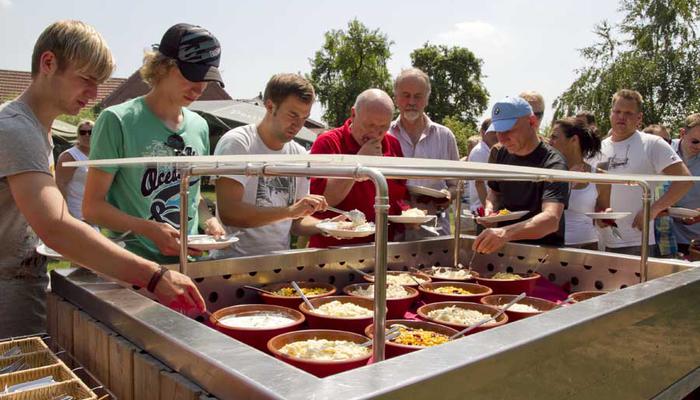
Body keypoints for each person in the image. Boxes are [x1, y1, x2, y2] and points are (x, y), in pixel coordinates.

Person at [0, 20, 204, 337]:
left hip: (21, 284)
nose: (94, 94)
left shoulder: (36, 129)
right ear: (49, 63)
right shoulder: (17, 129)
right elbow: (56, 227)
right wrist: (153, 275)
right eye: (86, 79)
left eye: (99, 83)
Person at [84, 23, 225, 264]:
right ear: (163, 67)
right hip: (135, 265)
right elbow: (92, 207)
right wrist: (148, 229)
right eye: (192, 75)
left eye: (207, 79)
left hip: (188, 266)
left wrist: (208, 220)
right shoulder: (117, 120)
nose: (200, 88)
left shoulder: (200, 126)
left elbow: (194, 193)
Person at [212, 73, 328, 257]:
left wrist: (327, 226)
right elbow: (229, 212)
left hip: (278, 263)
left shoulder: (298, 154)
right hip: (234, 262)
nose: (298, 124)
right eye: (292, 115)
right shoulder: (239, 143)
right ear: (270, 106)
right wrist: (289, 212)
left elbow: (296, 223)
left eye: (304, 118)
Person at [309, 89, 409, 248]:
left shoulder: (393, 144)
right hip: (333, 249)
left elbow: (399, 195)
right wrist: (359, 162)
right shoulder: (328, 143)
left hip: (380, 248)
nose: (375, 134)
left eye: (383, 127)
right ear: (353, 114)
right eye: (369, 125)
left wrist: (409, 215)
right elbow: (323, 200)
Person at [598, 89, 691, 256]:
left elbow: (685, 180)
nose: (621, 117)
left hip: (636, 241)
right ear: (610, 114)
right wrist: (598, 211)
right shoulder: (599, 147)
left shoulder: (652, 144)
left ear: (639, 118)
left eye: (628, 113)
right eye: (617, 111)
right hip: (601, 240)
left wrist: (653, 210)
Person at [472, 96, 570, 254]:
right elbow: (494, 193)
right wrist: (490, 211)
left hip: (543, 254)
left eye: (508, 130)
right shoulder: (502, 154)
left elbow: (551, 220)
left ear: (532, 122)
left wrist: (505, 233)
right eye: (498, 131)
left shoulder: (553, 163)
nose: (502, 139)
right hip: (506, 250)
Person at [389, 68, 460, 238]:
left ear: (427, 99)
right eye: (406, 95)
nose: (411, 101)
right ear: (396, 98)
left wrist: (447, 197)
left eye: (418, 96)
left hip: (435, 227)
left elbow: (456, 183)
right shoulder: (385, 135)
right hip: (393, 228)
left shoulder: (444, 136)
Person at [548, 117, 609, 249]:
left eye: (554, 137)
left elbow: (601, 215)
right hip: (552, 246)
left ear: (574, 140)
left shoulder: (600, 177)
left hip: (587, 246)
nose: (549, 142)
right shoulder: (545, 172)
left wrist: (606, 216)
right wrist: (568, 185)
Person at [642, 124, 678, 258]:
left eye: (668, 141)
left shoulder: (671, 174)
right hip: (642, 243)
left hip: (666, 244)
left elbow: (671, 205)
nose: (666, 146)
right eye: (661, 142)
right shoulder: (638, 173)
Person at [670, 113, 700, 255]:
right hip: (664, 236)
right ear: (682, 133)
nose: (699, 146)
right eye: (695, 141)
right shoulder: (664, 149)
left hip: (694, 240)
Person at [55, 119, 93, 220]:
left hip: (91, 212)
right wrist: (66, 213)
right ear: (78, 135)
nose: (87, 135)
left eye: (90, 132)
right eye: (83, 132)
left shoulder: (96, 155)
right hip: (75, 212)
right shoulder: (69, 156)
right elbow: (60, 184)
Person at [467, 117, 496, 214]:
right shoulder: (480, 152)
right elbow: (479, 184)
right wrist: (488, 212)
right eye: (493, 131)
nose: (497, 135)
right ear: (483, 133)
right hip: (482, 210)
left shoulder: (489, 150)